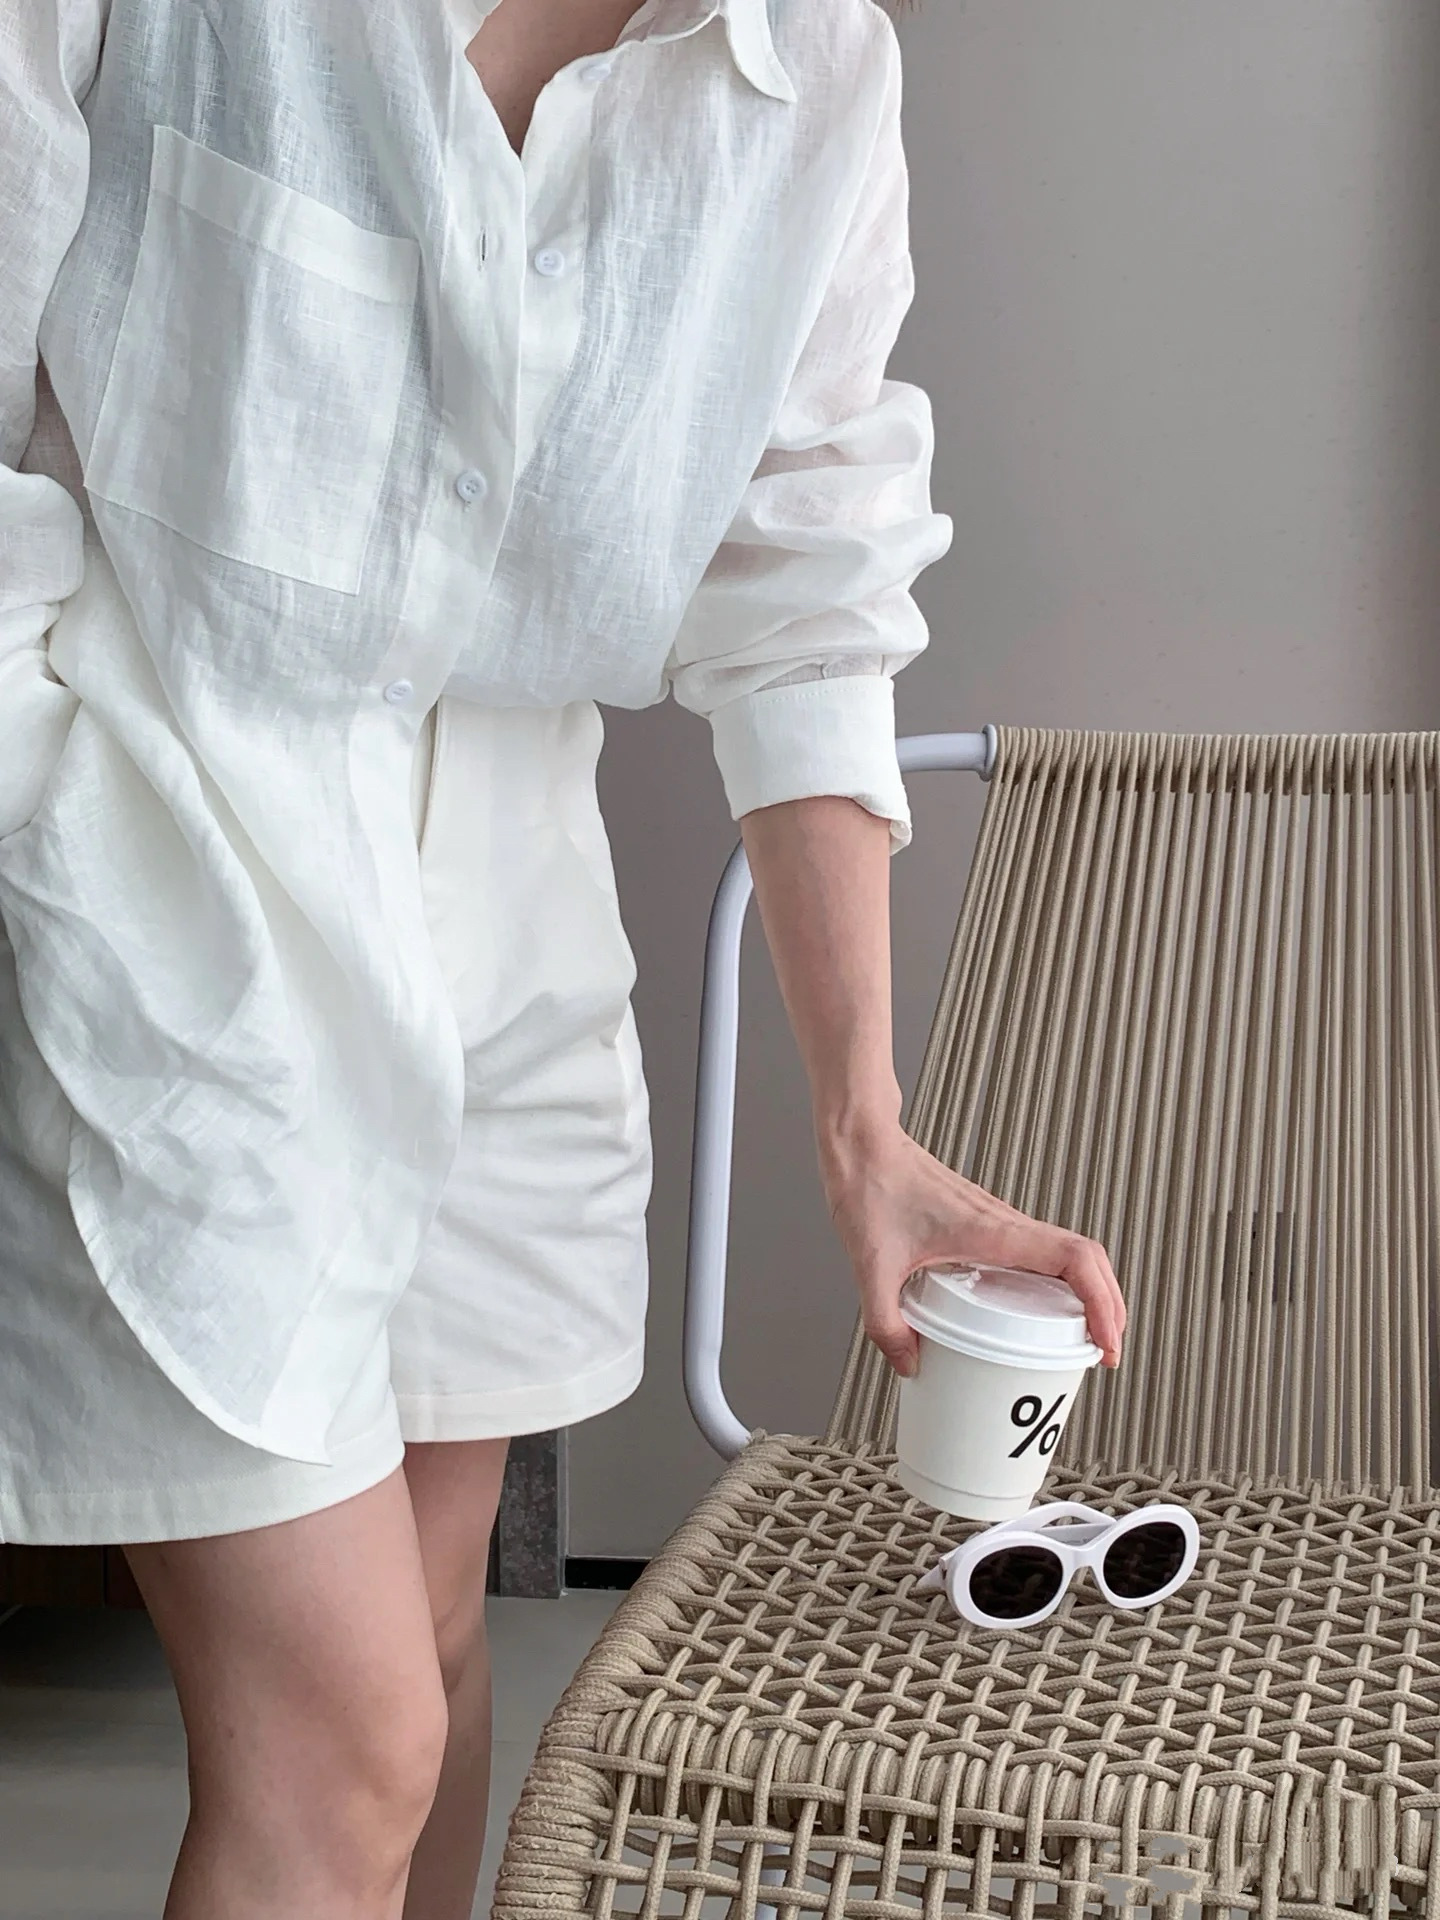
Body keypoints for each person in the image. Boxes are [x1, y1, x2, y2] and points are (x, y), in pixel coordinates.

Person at [0, 0, 1127, 1914]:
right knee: (345, 1744)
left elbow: (805, 593)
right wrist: (50, 830)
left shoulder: (812, 72)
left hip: (518, 928)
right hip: (160, 866)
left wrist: (866, 1128)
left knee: (440, 1649)